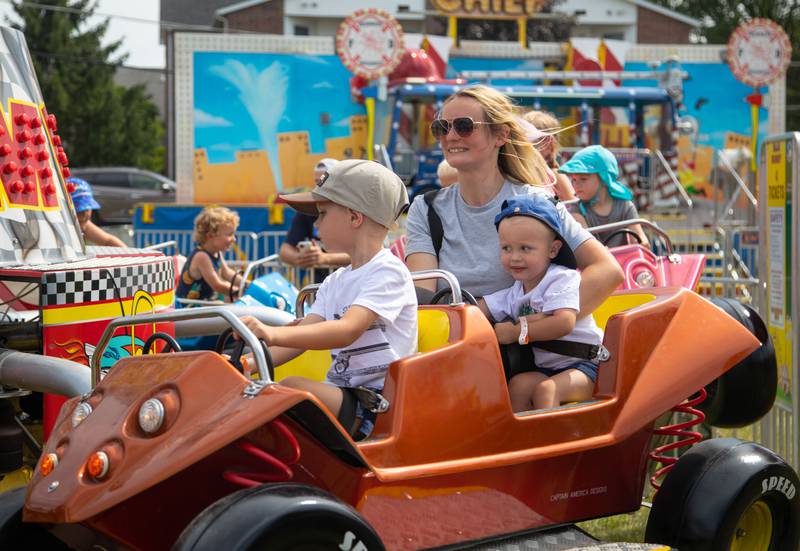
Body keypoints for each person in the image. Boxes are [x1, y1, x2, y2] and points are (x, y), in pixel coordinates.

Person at [405, 84, 623, 319]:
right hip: (456, 345)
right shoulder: (425, 208)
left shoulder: (534, 201)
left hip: (527, 350)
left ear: (501, 135)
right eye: (442, 127)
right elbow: (424, 303)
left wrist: (539, 323)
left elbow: (607, 271)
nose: (451, 136)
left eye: (464, 126)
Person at [240, 160, 417, 439]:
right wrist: (246, 364)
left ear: (354, 217)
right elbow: (303, 336)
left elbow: (347, 330)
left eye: (322, 213)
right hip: (344, 394)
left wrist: (270, 333)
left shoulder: (388, 271)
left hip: (377, 402)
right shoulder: (334, 281)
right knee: (256, 396)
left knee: (292, 388)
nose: (316, 223)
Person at [479, 196, 603, 412]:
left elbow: (564, 322)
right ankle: (520, 443)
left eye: (525, 249)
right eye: (506, 248)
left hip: (586, 365)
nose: (514, 257)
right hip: (548, 369)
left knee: (546, 390)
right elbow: (480, 308)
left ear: (553, 250)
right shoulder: (515, 292)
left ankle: (557, 446)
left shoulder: (561, 278)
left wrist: (517, 332)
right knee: (518, 386)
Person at [558, 145, 649, 248]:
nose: (576, 185)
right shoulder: (576, 209)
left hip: (623, 262)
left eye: (583, 179)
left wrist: (642, 244)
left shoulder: (625, 206)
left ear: (605, 179)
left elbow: (640, 239)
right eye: (573, 180)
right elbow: (587, 244)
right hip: (596, 261)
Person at [279, 158, 350, 282]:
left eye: (324, 181)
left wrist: (324, 258)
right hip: (321, 286)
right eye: (317, 182)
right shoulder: (307, 210)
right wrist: (302, 258)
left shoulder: (352, 208)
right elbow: (285, 251)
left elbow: (365, 253)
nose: (317, 224)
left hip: (350, 284)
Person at [176, 206, 243, 303]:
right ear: (211, 235)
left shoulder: (216, 252)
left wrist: (248, 284)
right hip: (189, 308)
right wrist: (241, 292)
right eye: (229, 235)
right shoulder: (201, 256)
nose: (234, 239)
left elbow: (227, 274)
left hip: (204, 305)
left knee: (231, 302)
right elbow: (217, 285)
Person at [521, 110, 576, 201]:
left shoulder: (555, 176)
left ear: (549, 143)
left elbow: (572, 205)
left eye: (533, 140)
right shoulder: (518, 171)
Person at [67, 177, 126, 247]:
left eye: (87, 209)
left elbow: (108, 241)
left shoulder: (83, 223)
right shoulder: (65, 225)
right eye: (79, 210)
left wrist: (129, 253)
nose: (85, 214)